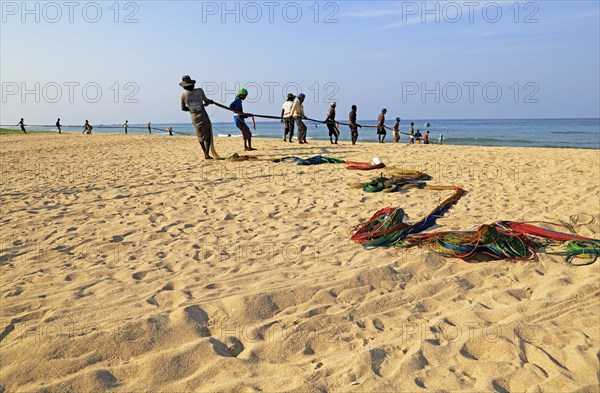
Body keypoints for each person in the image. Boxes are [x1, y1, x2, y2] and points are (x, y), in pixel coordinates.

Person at [179, 75, 215, 160]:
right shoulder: (199, 91)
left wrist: (192, 108)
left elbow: (183, 108)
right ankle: (206, 154)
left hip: (194, 116)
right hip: (202, 114)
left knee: (200, 135)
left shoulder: (183, 95)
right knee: (208, 135)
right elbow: (206, 101)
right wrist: (207, 103)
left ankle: (205, 153)